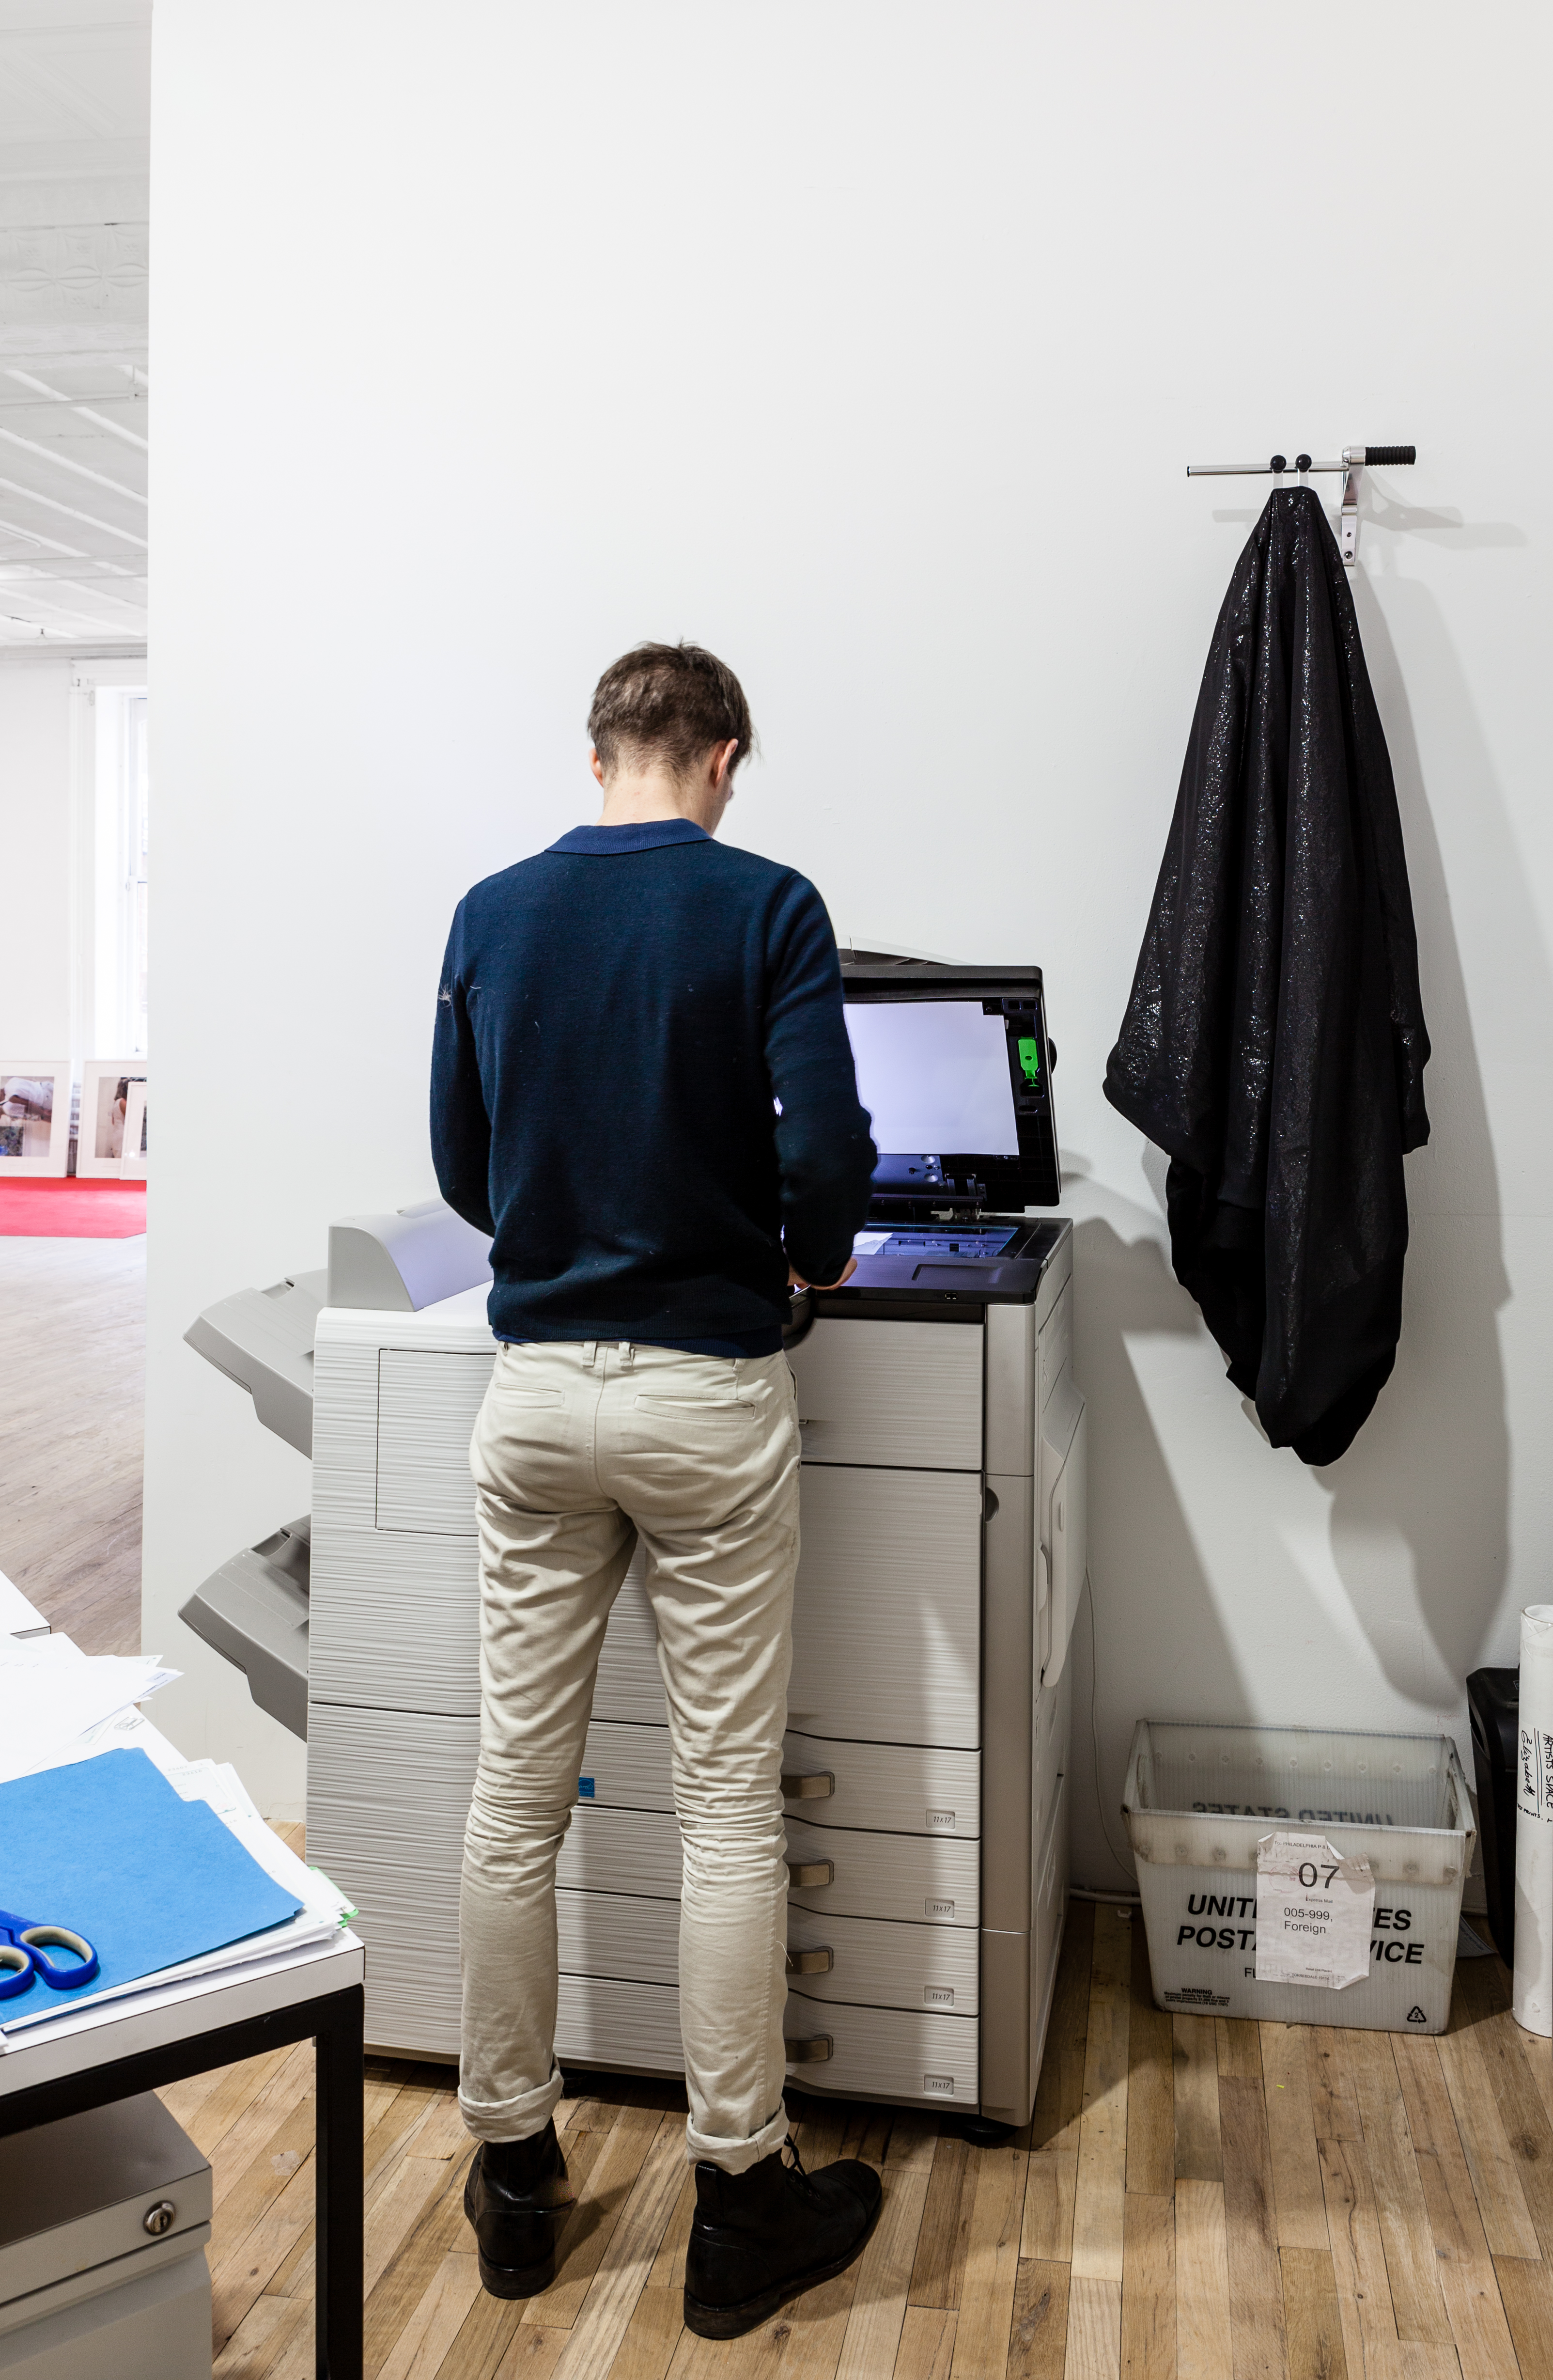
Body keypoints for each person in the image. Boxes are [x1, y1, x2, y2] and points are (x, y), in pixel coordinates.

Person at [430, 641, 882, 2336]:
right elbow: (828, 1154)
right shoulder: (767, 904)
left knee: (512, 1798)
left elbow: (462, 1164)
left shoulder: (491, 909)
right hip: (707, 1394)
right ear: (725, 757)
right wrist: (804, 1264)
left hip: (537, 1397)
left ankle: (514, 2176)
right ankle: (739, 2193)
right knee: (722, 1806)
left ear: (601, 749)